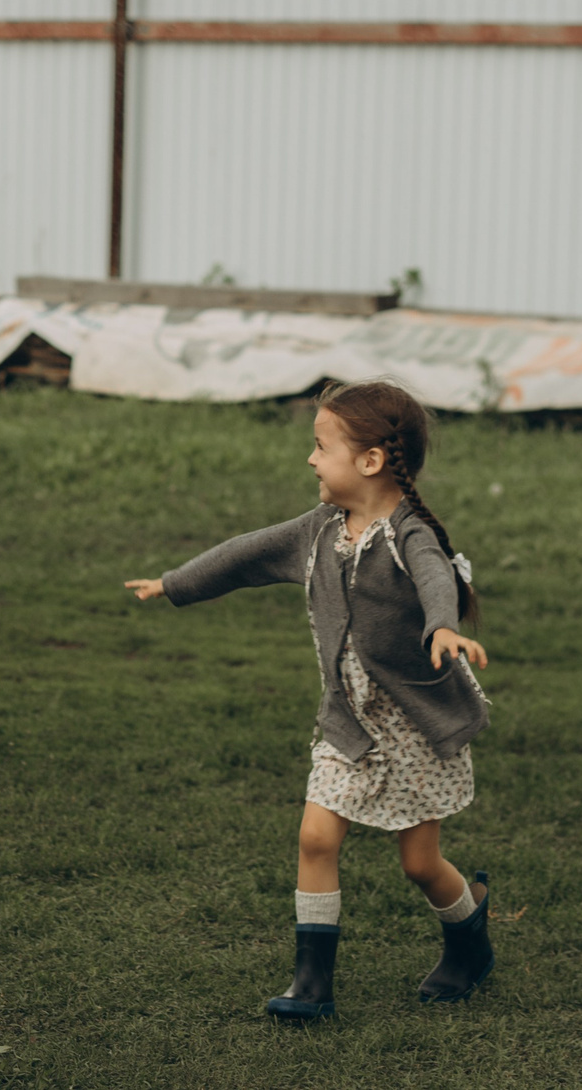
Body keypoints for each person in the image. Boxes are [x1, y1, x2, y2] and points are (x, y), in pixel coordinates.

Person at [124, 380, 496, 1015]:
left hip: (415, 727)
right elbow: (249, 552)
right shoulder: (321, 529)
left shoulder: (407, 534)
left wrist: (442, 625)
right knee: (317, 839)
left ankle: (470, 938)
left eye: (321, 447)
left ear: (370, 461)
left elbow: (435, 574)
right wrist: (175, 583)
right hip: (349, 724)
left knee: (419, 864)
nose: (310, 459)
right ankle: (311, 984)